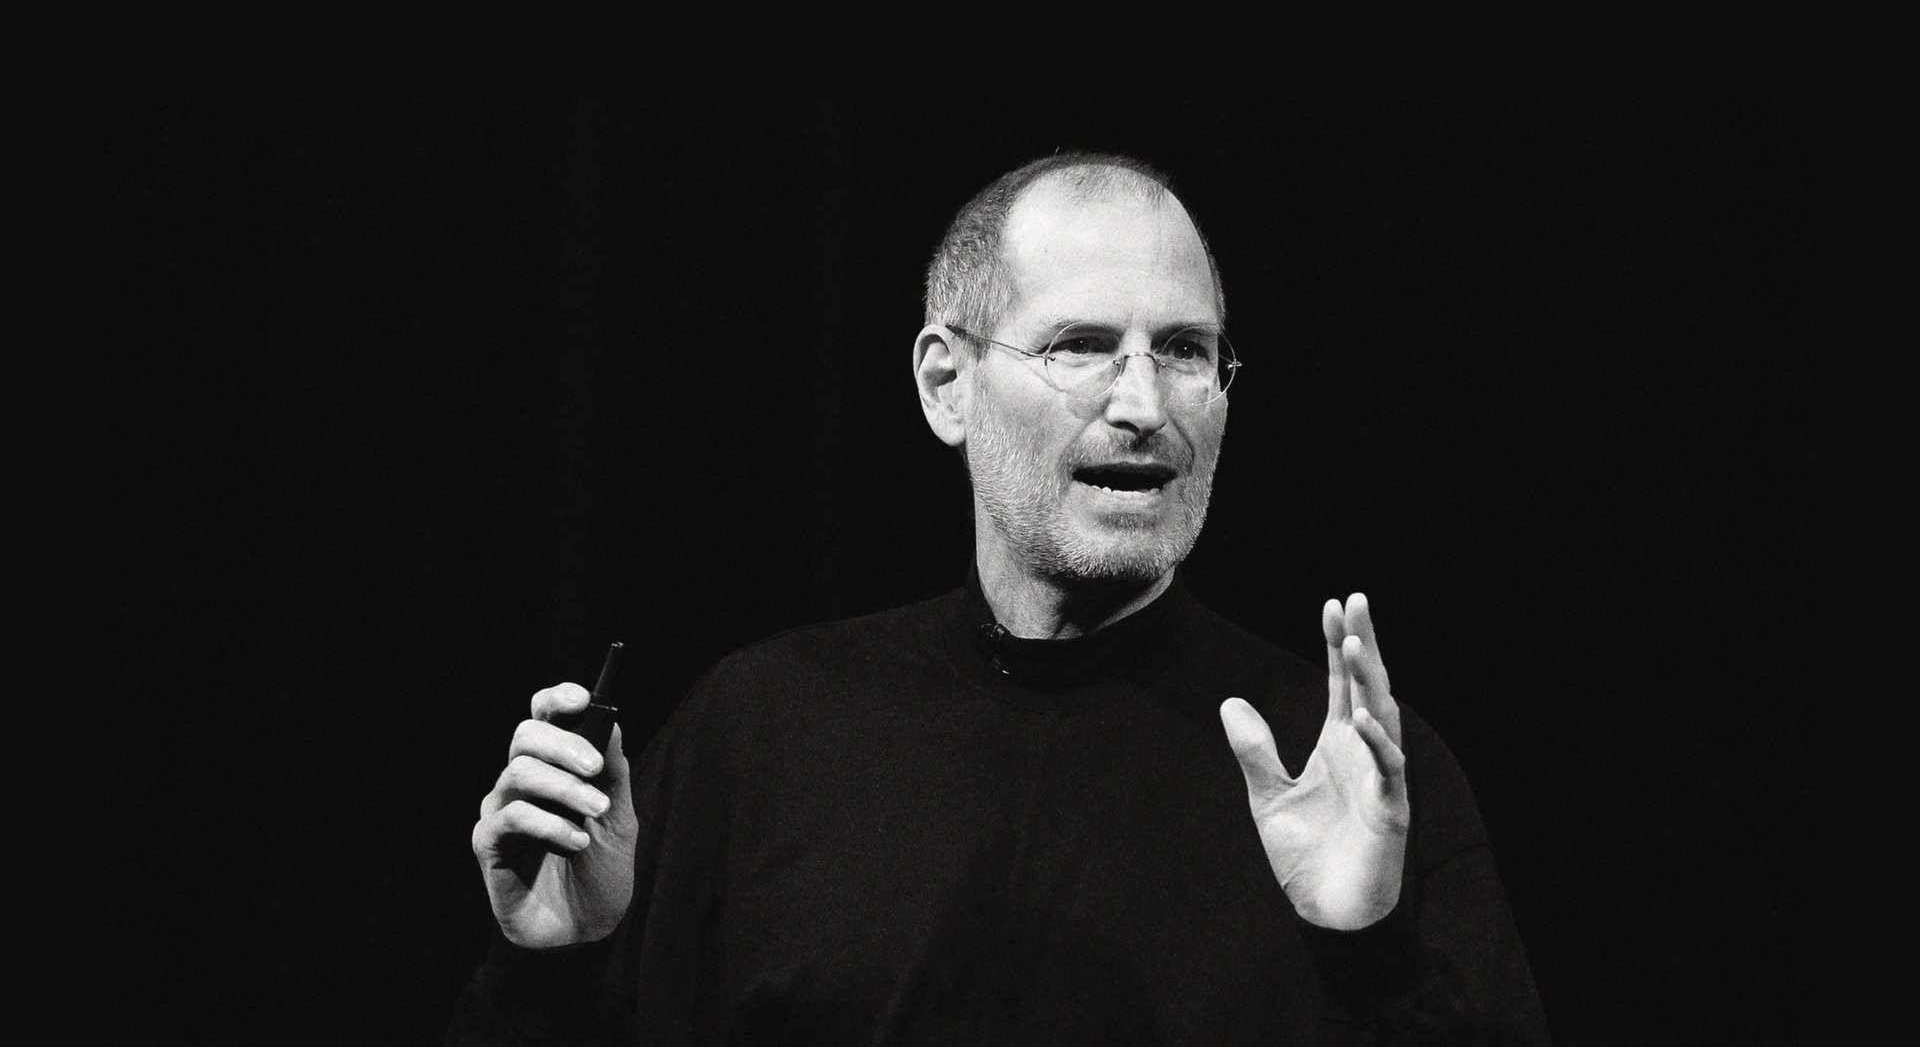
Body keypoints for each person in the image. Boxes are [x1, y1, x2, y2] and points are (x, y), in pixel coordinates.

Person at [451, 154, 1549, 1044]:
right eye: (1081, 346)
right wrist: (549, 977)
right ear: (947, 384)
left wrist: (1369, 957)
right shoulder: (761, 734)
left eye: (1185, 350)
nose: (1142, 404)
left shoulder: (1343, 768)